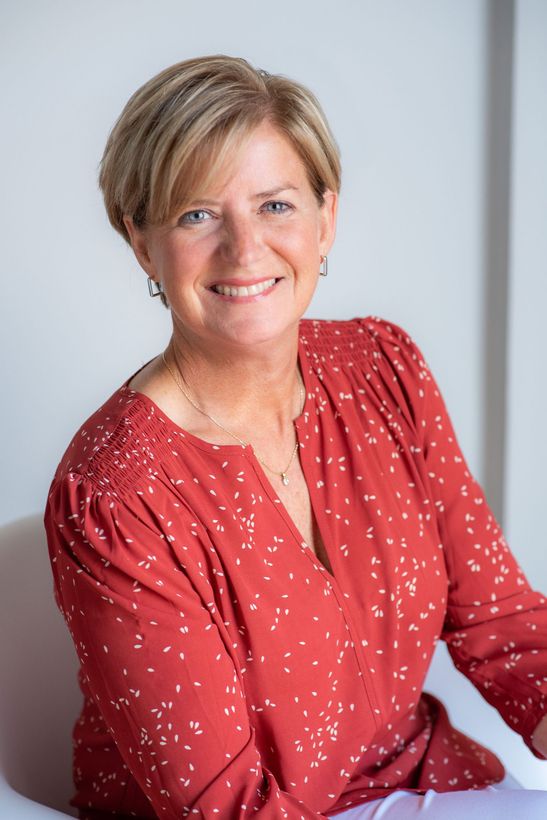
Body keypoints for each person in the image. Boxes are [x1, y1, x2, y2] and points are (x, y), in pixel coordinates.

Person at [43, 55, 547, 820]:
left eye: (274, 205)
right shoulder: (116, 494)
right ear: (142, 244)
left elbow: (502, 622)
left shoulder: (384, 368)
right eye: (195, 214)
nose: (244, 250)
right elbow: (225, 806)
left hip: (423, 783)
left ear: (325, 219)